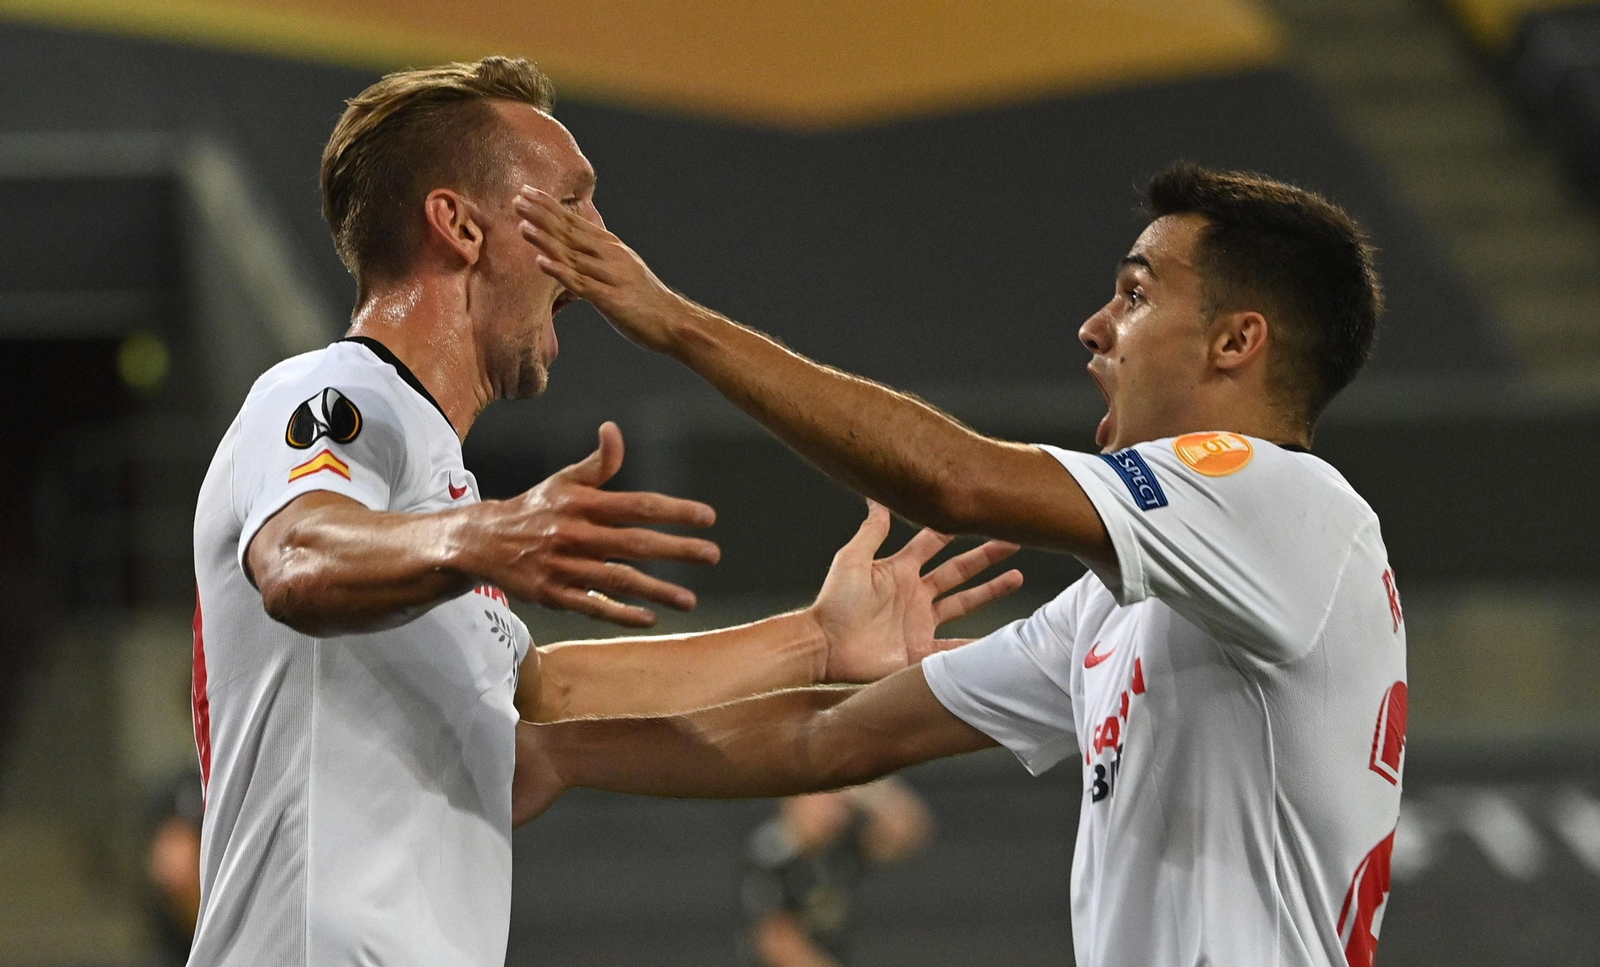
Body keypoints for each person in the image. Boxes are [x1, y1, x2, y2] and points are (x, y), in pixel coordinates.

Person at [189, 57, 1022, 967]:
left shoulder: (433, 486)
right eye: (571, 205)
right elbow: (294, 558)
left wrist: (815, 642)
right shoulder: (332, 389)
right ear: (459, 226)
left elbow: (549, 700)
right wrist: (484, 537)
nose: (600, 248)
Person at [514, 162, 1409, 967]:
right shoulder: (1121, 610)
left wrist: (677, 323)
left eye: (1135, 295)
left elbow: (956, 480)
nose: (1095, 327)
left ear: (1236, 342)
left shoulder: (1283, 500)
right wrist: (562, 754)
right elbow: (834, 735)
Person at [739, 778, 933, 967]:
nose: (833, 806)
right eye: (822, 797)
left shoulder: (841, 846)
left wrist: (866, 786)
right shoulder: (769, 858)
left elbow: (906, 830)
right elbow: (780, 948)